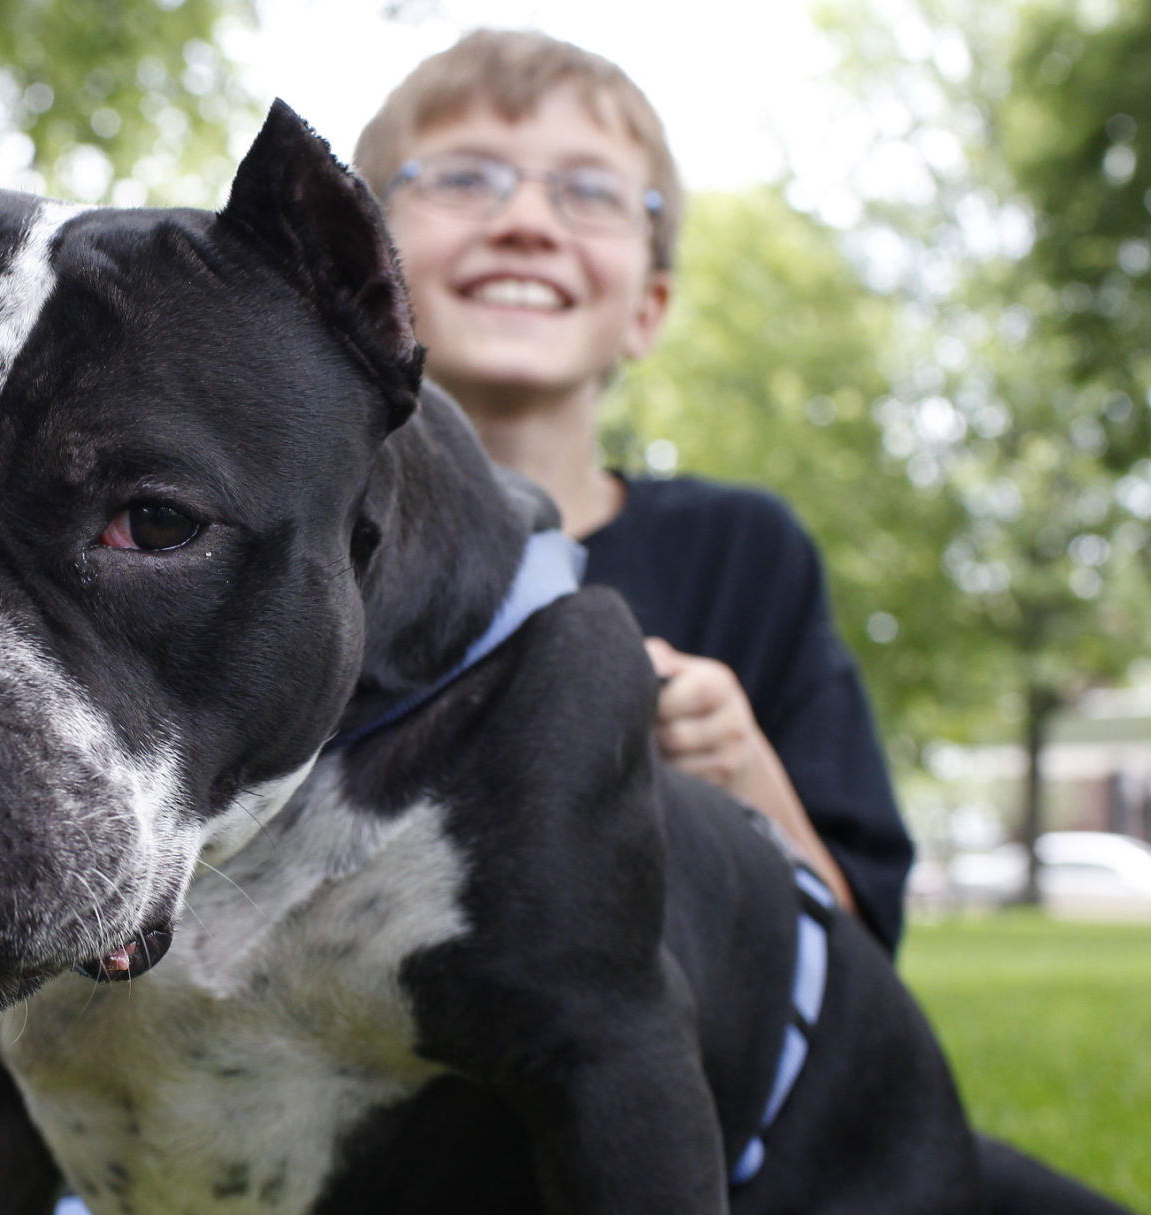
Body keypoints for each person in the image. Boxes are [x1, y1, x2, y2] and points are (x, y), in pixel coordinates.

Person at [353, 27, 1133, 1214]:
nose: (525, 218)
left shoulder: (742, 552)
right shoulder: (289, 566)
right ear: (356, 274)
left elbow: (861, 961)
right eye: (463, 176)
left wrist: (742, 773)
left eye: (590, 192)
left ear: (651, 307)